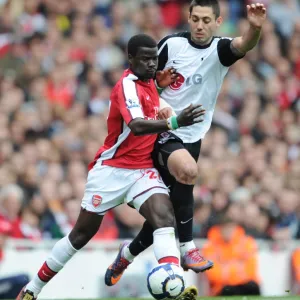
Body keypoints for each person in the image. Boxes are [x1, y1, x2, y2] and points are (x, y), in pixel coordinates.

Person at [16, 34, 205, 300]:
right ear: (130, 59)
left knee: (164, 216)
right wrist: (175, 122)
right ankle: (32, 289)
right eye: (145, 59)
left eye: (154, 58)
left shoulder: (150, 81)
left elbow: (151, 103)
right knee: (80, 236)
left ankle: (174, 283)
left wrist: (160, 91)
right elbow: (137, 126)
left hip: (141, 170)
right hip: (111, 171)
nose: (152, 64)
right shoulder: (125, 86)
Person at [105, 0, 267, 294]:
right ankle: (188, 247)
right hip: (162, 130)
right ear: (188, 19)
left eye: (207, 20)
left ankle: (126, 255)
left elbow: (245, 43)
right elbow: (144, 85)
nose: (200, 25)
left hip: (193, 137)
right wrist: (159, 93)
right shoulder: (170, 46)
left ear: (217, 22)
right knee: (189, 172)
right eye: (195, 19)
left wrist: (254, 27)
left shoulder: (220, 50)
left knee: (164, 215)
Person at [202, 215, 260, 296]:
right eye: (226, 228)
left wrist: (227, 269)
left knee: (253, 287)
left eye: (231, 228)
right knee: (228, 290)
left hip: (244, 284)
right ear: (220, 229)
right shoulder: (210, 247)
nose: (228, 231)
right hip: (221, 287)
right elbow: (213, 275)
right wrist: (236, 270)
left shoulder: (247, 242)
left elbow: (251, 269)